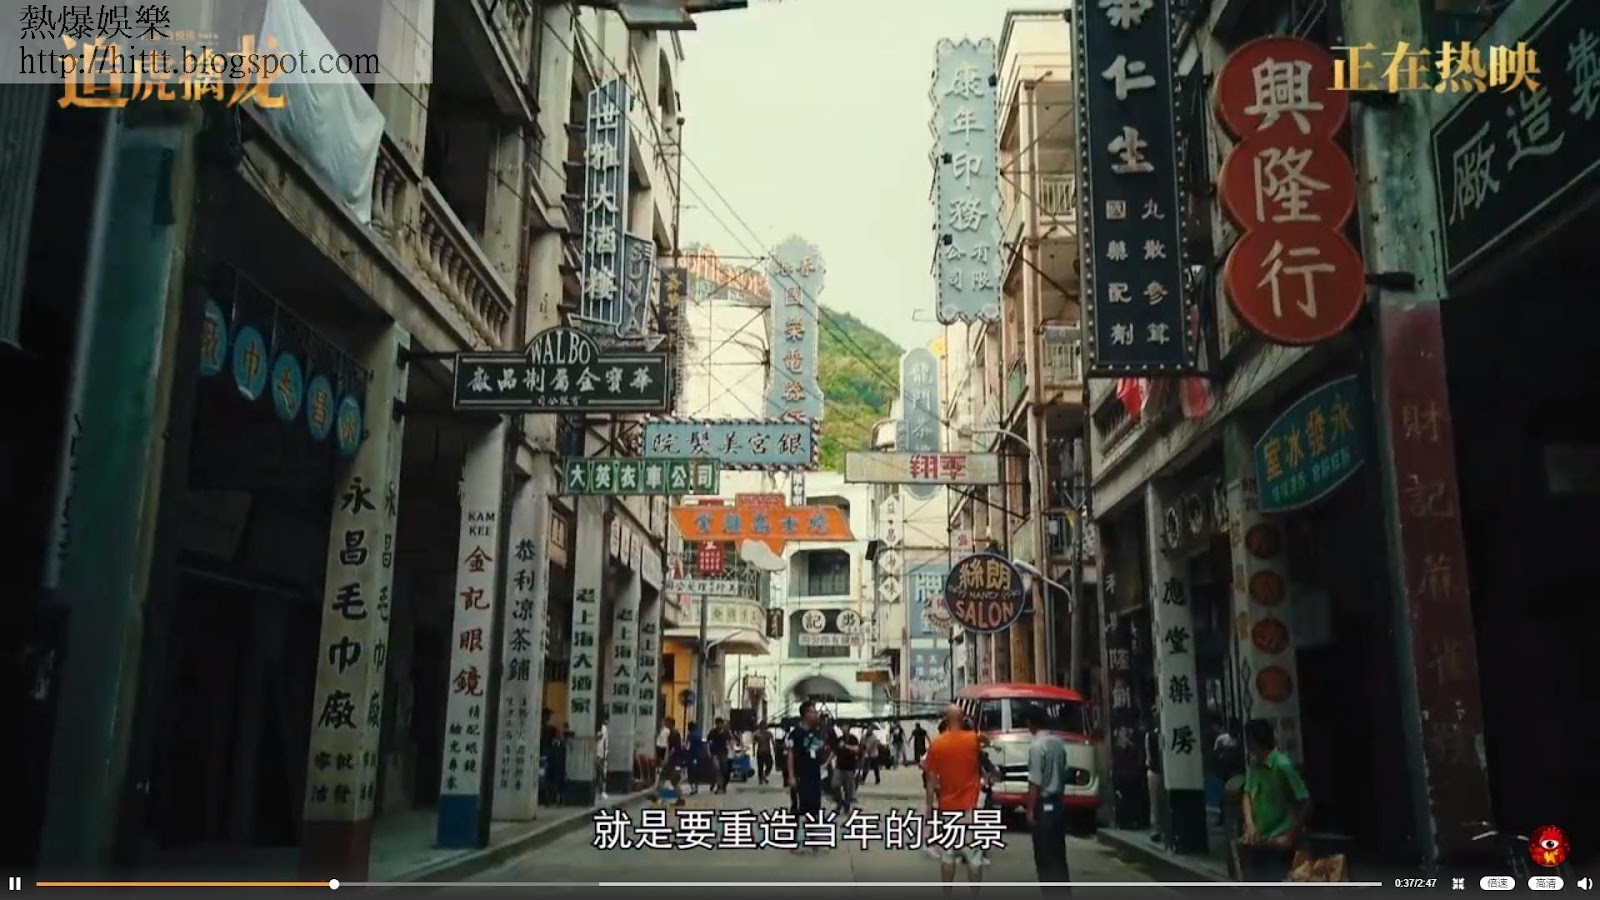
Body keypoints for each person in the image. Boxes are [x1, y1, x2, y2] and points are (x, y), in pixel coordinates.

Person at [922, 704, 991, 890]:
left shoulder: (937, 743)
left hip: (947, 807)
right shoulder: (973, 739)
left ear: (945, 720)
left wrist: (929, 808)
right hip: (971, 807)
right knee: (974, 857)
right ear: (963, 719)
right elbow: (988, 741)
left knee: (948, 854)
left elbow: (930, 781)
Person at [1239, 718, 1311, 882]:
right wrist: (1250, 824)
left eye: (1248, 740)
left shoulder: (1282, 765)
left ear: (1255, 741)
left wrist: (1291, 836)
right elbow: (1247, 794)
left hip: (1279, 842)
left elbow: (1306, 802)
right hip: (1258, 841)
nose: (1247, 745)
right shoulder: (1254, 765)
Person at [1021, 704, 1072, 889]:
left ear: (1030, 722)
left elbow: (1035, 781)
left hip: (1043, 805)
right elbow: (1065, 772)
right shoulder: (1058, 743)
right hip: (1057, 803)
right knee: (1058, 853)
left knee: (1044, 855)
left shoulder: (1037, 746)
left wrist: (1029, 810)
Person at [787, 701, 831, 854]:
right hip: (801, 776)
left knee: (814, 809)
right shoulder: (795, 733)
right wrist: (791, 776)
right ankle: (793, 842)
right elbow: (790, 755)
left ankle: (813, 841)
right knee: (799, 810)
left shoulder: (816, 732)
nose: (816, 714)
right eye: (813, 711)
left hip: (815, 776)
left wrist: (825, 750)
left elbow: (819, 751)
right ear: (805, 714)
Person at [1146, 708, 1166, 846]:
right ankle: (1155, 829)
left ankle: (1164, 828)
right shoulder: (1150, 736)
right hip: (1154, 772)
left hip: (1164, 772)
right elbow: (1148, 755)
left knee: (1163, 802)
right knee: (1155, 802)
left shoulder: (1166, 733)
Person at [834, 732, 861, 813]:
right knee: (835, 784)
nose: (844, 728)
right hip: (839, 765)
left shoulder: (853, 738)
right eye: (842, 727)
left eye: (845, 726)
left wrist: (845, 746)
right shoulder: (839, 739)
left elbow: (856, 749)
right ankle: (839, 801)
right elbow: (835, 751)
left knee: (848, 788)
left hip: (850, 766)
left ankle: (847, 805)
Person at [709, 717, 733, 794]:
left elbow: (730, 742)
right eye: (718, 724)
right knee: (716, 769)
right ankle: (719, 786)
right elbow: (708, 742)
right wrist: (708, 751)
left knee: (724, 770)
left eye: (720, 723)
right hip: (714, 753)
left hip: (723, 753)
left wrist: (732, 751)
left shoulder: (726, 732)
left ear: (723, 724)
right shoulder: (712, 732)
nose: (719, 725)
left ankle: (722, 785)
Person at [685, 721, 705, 795]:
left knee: (690, 772)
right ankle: (696, 788)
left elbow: (687, 746)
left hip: (691, 755)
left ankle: (693, 788)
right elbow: (701, 745)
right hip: (699, 756)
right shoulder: (699, 734)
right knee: (697, 773)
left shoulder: (690, 735)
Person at [596, 713, 610, 801]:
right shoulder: (603, 729)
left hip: (600, 754)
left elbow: (605, 743)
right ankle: (601, 792)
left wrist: (605, 754)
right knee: (600, 774)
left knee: (600, 774)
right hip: (598, 754)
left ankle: (601, 791)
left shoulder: (604, 729)